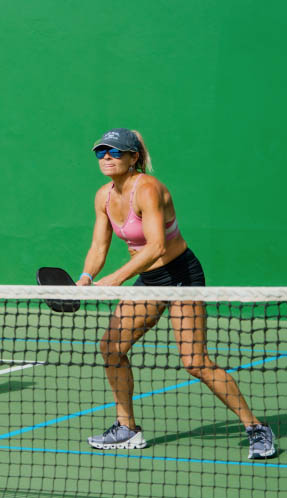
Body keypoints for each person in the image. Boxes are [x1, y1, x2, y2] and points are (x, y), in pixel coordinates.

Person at [77, 128, 276, 459]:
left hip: (181, 276)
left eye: (115, 152)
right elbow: (99, 245)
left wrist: (116, 278)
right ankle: (127, 428)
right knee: (111, 348)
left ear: (133, 157)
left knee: (195, 362)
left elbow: (156, 246)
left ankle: (256, 427)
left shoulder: (149, 189)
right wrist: (86, 277)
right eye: (101, 153)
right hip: (149, 281)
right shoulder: (104, 197)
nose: (107, 158)